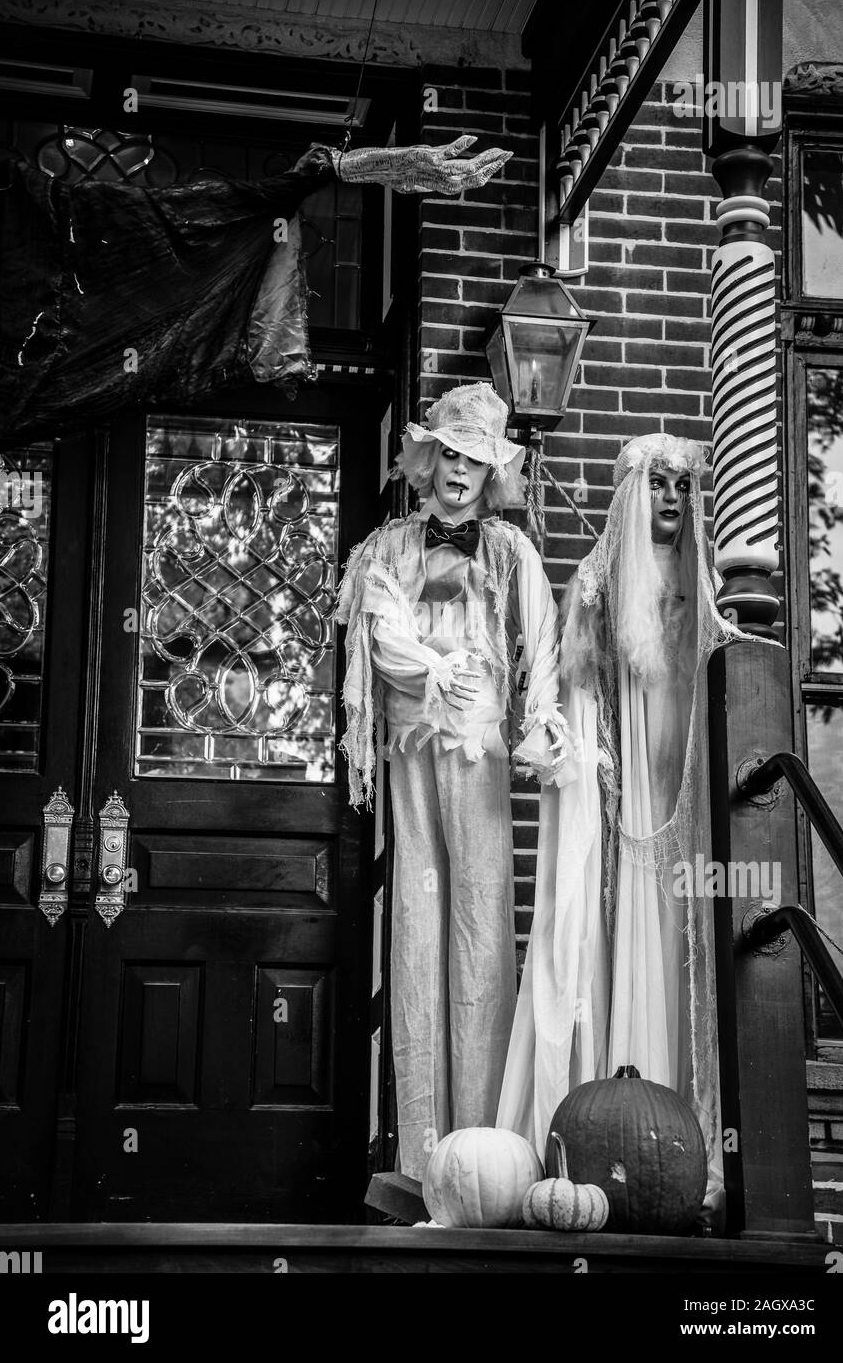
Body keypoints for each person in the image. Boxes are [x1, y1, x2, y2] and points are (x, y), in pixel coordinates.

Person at [496, 432, 746, 1219]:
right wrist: (597, 768)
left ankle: (689, 1154)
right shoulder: (597, 585)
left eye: (682, 486)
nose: (671, 499)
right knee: (623, 937)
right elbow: (577, 699)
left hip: (688, 803)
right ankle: (612, 1153)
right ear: (633, 491)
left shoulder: (704, 587)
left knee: (688, 947)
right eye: (658, 484)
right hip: (625, 802)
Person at [335, 381, 572, 1181]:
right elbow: (383, 635)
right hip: (412, 745)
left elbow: (541, 643)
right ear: (426, 459)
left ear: (491, 472)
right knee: (416, 922)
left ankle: (481, 1155)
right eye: (447, 454)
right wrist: (438, 667)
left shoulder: (510, 551)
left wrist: (542, 720)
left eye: (474, 459)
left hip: (478, 752)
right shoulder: (387, 548)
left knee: (478, 922)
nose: (458, 471)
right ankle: (419, 1157)